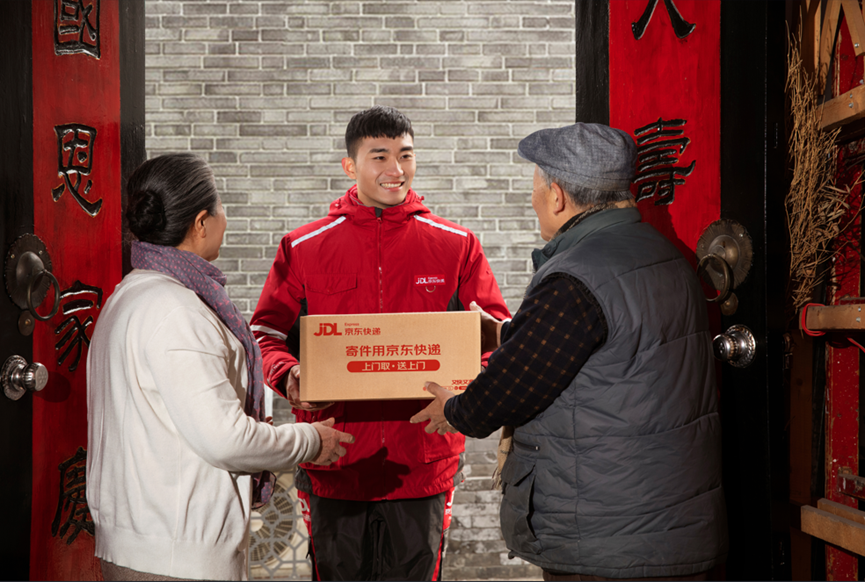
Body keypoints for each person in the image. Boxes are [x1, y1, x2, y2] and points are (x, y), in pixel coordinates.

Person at [412, 123, 728, 581]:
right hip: (674, 524)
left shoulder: (575, 276)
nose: (535, 200)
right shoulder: (666, 256)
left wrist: (457, 410)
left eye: (537, 188)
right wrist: (504, 333)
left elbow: (514, 385)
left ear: (557, 196)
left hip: (605, 538)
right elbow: (611, 349)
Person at [250, 106, 511, 580]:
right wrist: (289, 376)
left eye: (405, 155)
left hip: (424, 462)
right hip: (336, 459)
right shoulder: (304, 247)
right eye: (380, 156)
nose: (396, 170)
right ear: (350, 165)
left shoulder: (456, 245)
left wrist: (466, 401)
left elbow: (496, 336)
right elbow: (265, 334)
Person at [86, 153, 354, 581]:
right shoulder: (177, 311)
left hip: (143, 543)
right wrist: (308, 440)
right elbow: (225, 439)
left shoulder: (130, 295)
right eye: (222, 209)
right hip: (176, 554)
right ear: (200, 223)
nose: (225, 221)